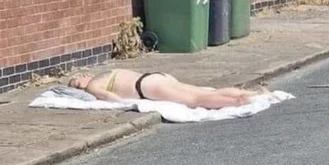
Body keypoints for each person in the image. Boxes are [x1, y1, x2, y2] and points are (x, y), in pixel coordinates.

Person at [68, 69, 268, 110]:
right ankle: (253, 94)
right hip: (157, 76)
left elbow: (108, 96)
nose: (81, 84)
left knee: (195, 100)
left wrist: (125, 104)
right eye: (77, 86)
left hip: (146, 87)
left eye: (78, 81)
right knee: (204, 91)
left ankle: (241, 101)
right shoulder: (109, 71)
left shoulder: (95, 84)